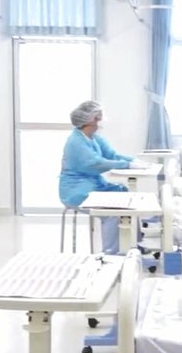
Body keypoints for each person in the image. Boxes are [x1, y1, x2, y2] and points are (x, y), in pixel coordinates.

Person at [59, 100, 141, 255]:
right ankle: (111, 254)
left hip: (94, 186)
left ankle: (136, 245)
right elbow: (96, 163)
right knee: (112, 213)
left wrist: (133, 161)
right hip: (77, 192)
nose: (100, 120)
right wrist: (126, 165)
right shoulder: (76, 142)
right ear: (90, 120)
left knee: (126, 195)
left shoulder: (93, 138)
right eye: (98, 117)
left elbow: (112, 156)